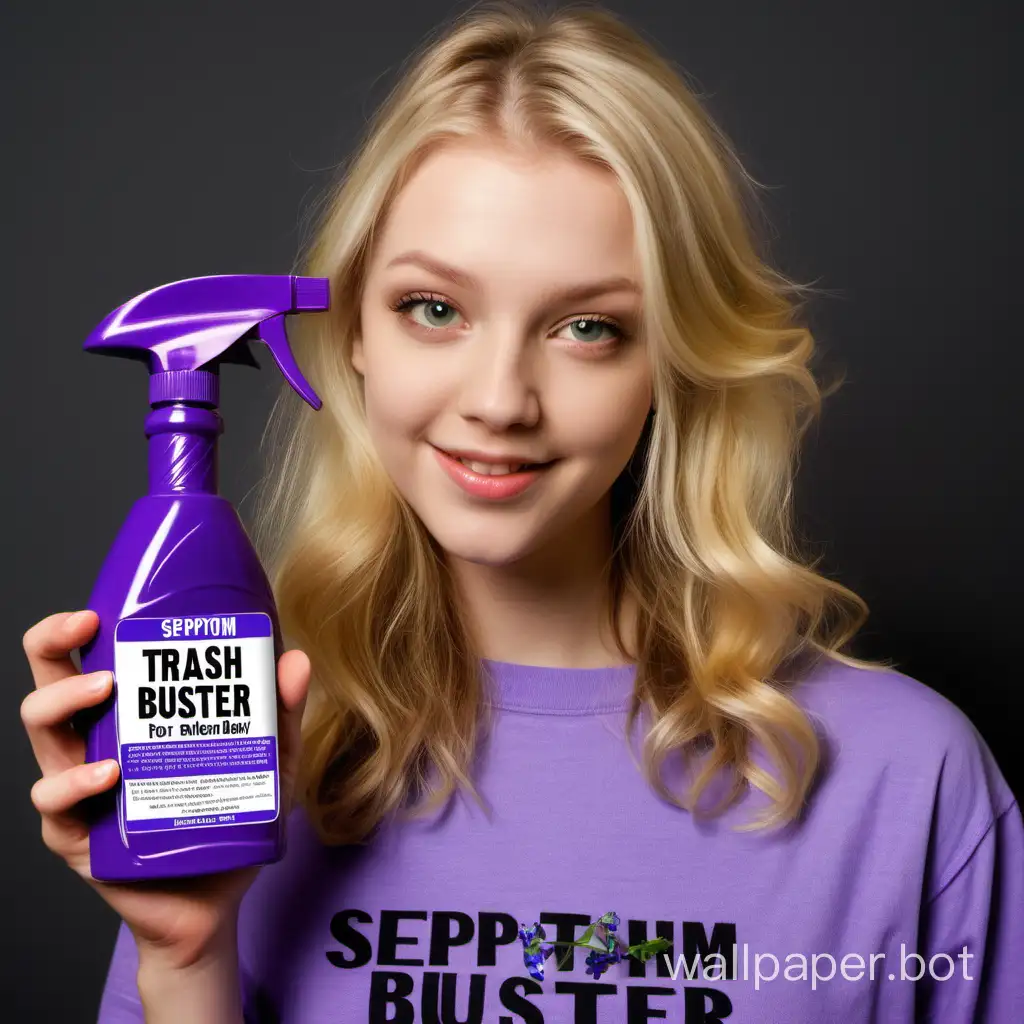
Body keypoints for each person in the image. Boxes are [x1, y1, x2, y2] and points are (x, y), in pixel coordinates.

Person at [20, 3, 1022, 1022]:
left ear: (670, 362)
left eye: (588, 327)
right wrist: (186, 956)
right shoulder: (249, 759)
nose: (499, 398)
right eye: (435, 309)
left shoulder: (900, 784)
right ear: (355, 327)